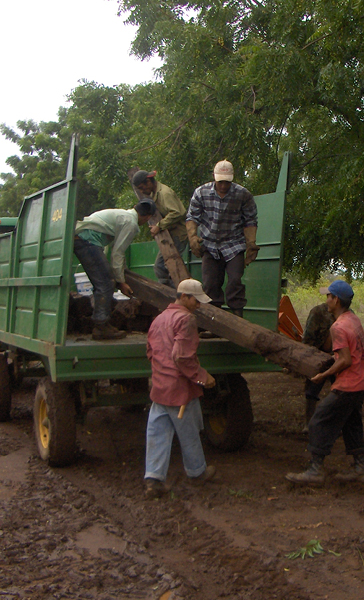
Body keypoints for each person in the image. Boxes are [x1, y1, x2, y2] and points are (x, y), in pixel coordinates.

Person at [286, 280, 364, 485]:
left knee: (319, 420)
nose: (326, 300)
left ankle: (315, 470)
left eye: (329, 296)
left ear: (336, 300)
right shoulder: (353, 319)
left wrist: (323, 376)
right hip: (362, 381)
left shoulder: (339, 327)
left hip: (348, 385)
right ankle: (360, 469)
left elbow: (345, 360)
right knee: (352, 423)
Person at [144, 278, 217, 499]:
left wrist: (158, 374)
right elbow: (182, 356)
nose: (199, 305)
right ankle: (197, 472)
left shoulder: (159, 319)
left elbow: (150, 351)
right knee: (189, 432)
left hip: (160, 387)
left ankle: (153, 479)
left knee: (157, 432)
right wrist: (202, 376)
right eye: (196, 300)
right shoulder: (186, 319)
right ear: (184, 297)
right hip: (179, 389)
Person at [73, 199, 156, 340]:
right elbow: (118, 252)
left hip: (83, 238)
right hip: (87, 241)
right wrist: (121, 282)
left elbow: (112, 251)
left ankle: (102, 323)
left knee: (104, 281)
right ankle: (101, 326)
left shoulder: (123, 215)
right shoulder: (131, 223)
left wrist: (120, 275)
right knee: (106, 283)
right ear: (148, 217)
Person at [186, 160, 259, 319]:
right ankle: (214, 322)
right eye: (220, 182)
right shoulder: (201, 193)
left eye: (227, 182)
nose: (223, 186)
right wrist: (192, 237)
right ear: (214, 177)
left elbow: (250, 220)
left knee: (234, 281)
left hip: (234, 244)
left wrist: (251, 243)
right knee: (211, 285)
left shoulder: (243, 195)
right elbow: (192, 217)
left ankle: (238, 318)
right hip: (210, 244)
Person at [132, 170, 189, 288]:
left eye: (142, 187)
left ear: (148, 181)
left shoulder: (164, 193)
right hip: (170, 234)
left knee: (163, 266)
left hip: (178, 234)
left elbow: (178, 212)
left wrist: (159, 226)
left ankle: (171, 293)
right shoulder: (154, 194)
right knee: (165, 267)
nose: (142, 191)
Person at [302, 303, 334, 431]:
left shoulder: (347, 314)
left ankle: (338, 423)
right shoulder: (318, 312)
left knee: (341, 391)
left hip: (338, 356)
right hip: (319, 355)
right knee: (311, 391)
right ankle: (308, 423)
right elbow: (308, 336)